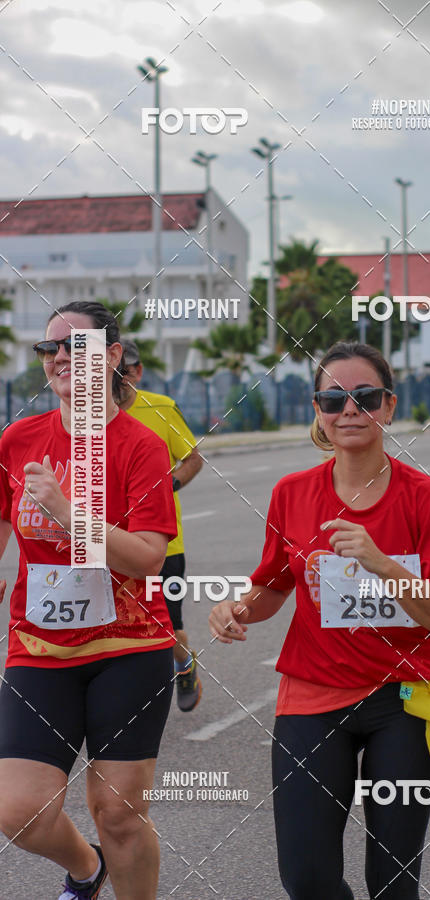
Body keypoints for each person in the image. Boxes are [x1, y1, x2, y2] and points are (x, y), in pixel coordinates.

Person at [209, 341, 430, 900]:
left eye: (364, 396)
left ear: (389, 406)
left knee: (394, 879)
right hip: (312, 694)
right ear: (318, 411)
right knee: (306, 878)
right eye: (333, 399)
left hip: (403, 697)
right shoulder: (292, 494)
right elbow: (273, 585)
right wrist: (236, 607)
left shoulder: (428, 500)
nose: (348, 410)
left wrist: (379, 563)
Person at [0, 301, 178, 899]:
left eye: (74, 346)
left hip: (128, 649)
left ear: (110, 357)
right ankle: (86, 869)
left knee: (120, 815)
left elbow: (149, 556)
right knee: (19, 810)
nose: (57, 358)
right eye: (49, 348)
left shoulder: (140, 445)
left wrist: (69, 515)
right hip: (39, 647)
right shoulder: (20, 439)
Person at [118, 339, 204, 712]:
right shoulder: (88, 414)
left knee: (167, 624)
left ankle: (183, 664)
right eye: (119, 369)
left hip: (164, 544)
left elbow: (193, 458)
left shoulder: (161, 408)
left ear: (138, 372)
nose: (124, 376)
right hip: (110, 543)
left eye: (130, 369)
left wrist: (170, 484)